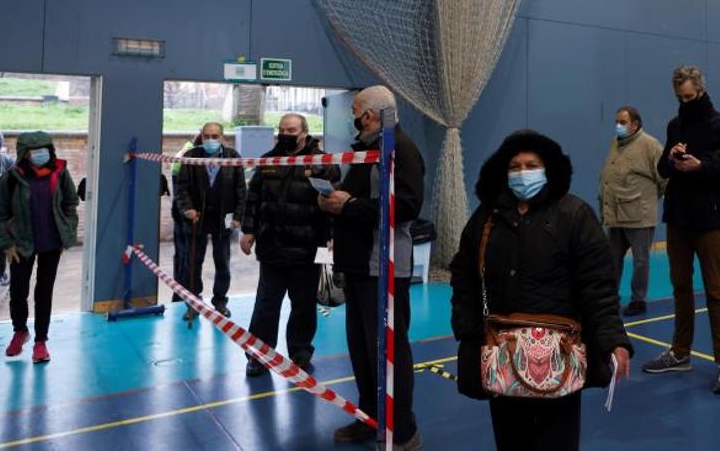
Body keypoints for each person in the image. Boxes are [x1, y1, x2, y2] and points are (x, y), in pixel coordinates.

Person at [450, 130, 632, 451]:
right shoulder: (486, 218)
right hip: (501, 353)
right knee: (510, 441)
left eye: (531, 164)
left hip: (559, 357)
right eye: (515, 166)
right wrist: (467, 331)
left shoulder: (575, 215)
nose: (523, 172)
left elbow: (598, 286)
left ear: (547, 168)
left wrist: (613, 339)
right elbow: (464, 277)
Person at [318, 86, 425, 450]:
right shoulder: (366, 150)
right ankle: (370, 418)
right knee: (363, 351)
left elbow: (406, 205)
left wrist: (348, 207)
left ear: (370, 115)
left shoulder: (402, 149)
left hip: (385, 271)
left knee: (389, 351)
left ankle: (404, 430)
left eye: (357, 110)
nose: (354, 116)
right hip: (359, 267)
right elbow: (358, 197)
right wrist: (333, 199)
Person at [642, 65, 720, 396]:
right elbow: (662, 168)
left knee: (715, 291)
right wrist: (672, 157)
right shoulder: (675, 125)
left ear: (701, 91)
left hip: (711, 219)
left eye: (689, 96)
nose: (685, 101)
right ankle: (680, 352)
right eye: (679, 97)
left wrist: (703, 166)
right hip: (678, 217)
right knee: (680, 286)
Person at [240, 114, 338, 375]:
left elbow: (334, 203)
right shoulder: (268, 160)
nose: (286, 133)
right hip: (271, 247)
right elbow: (253, 198)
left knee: (304, 305)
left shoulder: (322, 162)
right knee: (266, 305)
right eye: (282, 129)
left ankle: (301, 351)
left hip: (308, 249)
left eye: (291, 129)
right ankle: (259, 355)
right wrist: (248, 230)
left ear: (304, 132)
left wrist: (332, 236)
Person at [0, 131, 78, 363]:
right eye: (35, 149)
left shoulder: (59, 174)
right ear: (24, 153)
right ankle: (20, 331)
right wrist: (6, 243)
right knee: (18, 291)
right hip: (20, 244)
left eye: (45, 148)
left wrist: (66, 233)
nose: (41, 153)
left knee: (44, 292)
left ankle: (41, 342)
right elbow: (0, 213)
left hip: (51, 244)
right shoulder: (11, 177)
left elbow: (71, 203)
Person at [599, 105, 666, 316]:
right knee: (612, 259)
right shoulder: (615, 143)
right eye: (616, 121)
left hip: (639, 216)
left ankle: (639, 300)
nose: (618, 125)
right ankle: (610, 297)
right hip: (616, 215)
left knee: (640, 261)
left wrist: (647, 201)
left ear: (635, 124)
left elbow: (665, 178)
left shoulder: (650, 145)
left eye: (622, 122)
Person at [175, 122, 246, 319]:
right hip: (197, 218)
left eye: (215, 136)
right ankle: (193, 303)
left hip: (224, 219)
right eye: (207, 136)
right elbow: (181, 187)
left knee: (222, 262)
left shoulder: (233, 157)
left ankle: (220, 301)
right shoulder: (191, 156)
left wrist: (239, 217)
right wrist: (187, 209)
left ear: (222, 137)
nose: (210, 140)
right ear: (202, 136)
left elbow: (241, 190)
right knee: (193, 263)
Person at [170, 132, 201, 303]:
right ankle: (187, 295)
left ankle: (179, 293)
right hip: (187, 213)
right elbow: (185, 188)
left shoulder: (183, 152)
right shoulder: (190, 157)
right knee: (189, 256)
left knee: (181, 254)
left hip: (179, 210)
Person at [0, 130, 16, 286]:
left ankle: (2, 273)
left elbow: (14, 178)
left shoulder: (6, 160)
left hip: (1, 204)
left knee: (0, 237)